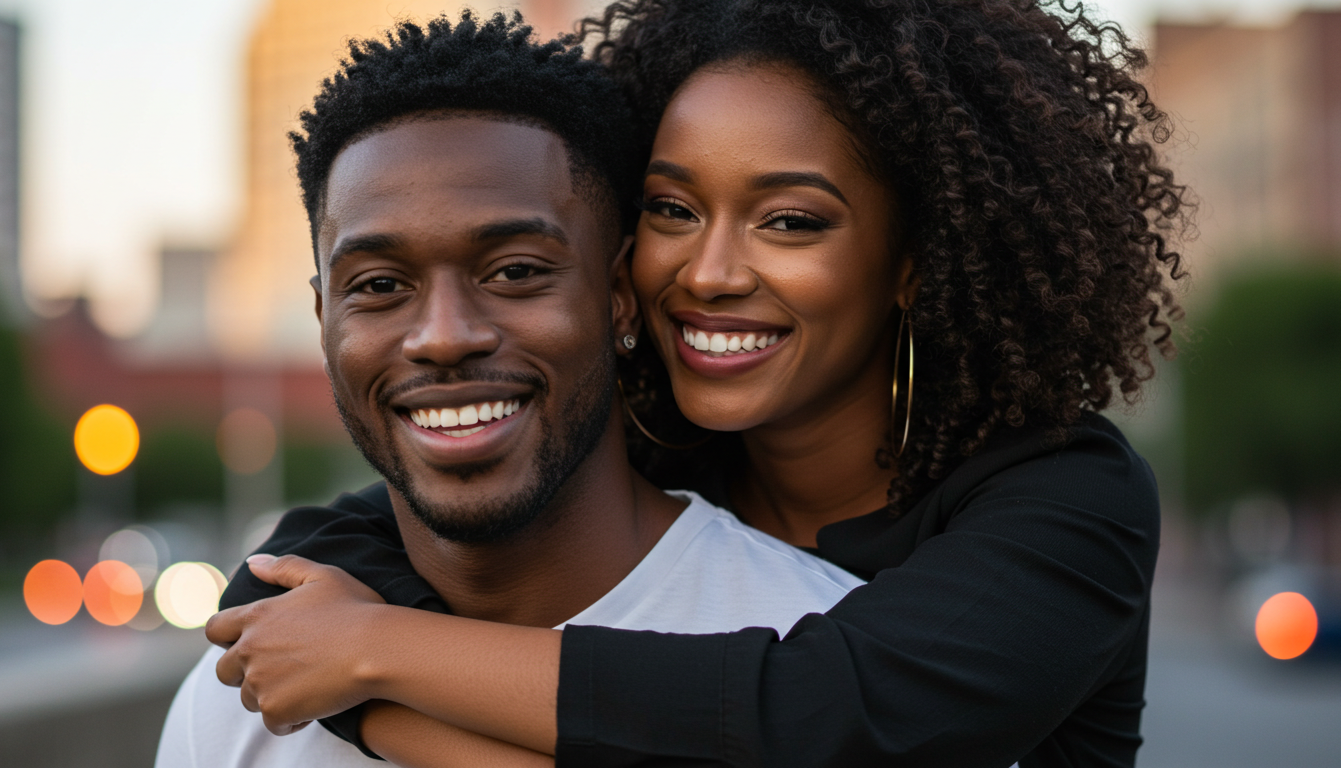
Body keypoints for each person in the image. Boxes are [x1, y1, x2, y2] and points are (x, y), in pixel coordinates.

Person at [212, 0, 1186, 766]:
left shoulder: (1066, 496)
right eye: (674, 208)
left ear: (914, 259)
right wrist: (364, 687)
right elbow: (296, 568)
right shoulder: (648, 437)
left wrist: (381, 659)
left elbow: (826, 716)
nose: (708, 273)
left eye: (791, 221)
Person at [156, 13, 869, 768]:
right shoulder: (241, 703)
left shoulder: (826, 654)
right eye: (379, 285)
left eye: (516, 271)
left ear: (621, 294)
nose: (442, 335)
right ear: (324, 319)